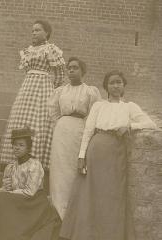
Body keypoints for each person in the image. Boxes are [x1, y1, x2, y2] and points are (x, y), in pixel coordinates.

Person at [60, 70, 157, 240]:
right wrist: (81, 156)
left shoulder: (129, 107)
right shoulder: (99, 105)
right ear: (106, 86)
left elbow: (151, 123)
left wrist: (129, 126)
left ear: (124, 85)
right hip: (96, 151)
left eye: (119, 82)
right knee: (90, 193)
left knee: (113, 195)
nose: (115, 85)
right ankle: (86, 234)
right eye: (111, 82)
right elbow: (88, 130)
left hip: (116, 154)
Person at [0, 20, 65, 171]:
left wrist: (54, 90)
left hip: (43, 88)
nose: (34, 33)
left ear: (46, 33)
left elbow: (60, 73)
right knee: (22, 118)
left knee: (40, 120)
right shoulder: (28, 50)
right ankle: (18, 156)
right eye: (32, 30)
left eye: (37, 30)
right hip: (28, 88)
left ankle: (37, 158)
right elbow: (26, 70)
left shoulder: (51, 49)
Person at [0, 127, 61, 240]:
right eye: (15, 145)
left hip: (34, 202)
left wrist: (7, 194)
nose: (17, 148)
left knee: (3, 200)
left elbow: (30, 191)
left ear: (28, 148)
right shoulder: (11, 167)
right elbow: (7, 187)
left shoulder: (34, 165)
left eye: (21, 145)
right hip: (17, 200)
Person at [48, 57, 101, 219]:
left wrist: (86, 131)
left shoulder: (90, 91)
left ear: (82, 71)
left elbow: (94, 114)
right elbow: (54, 111)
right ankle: (58, 212)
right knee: (60, 170)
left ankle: (73, 214)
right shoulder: (60, 91)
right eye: (69, 68)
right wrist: (61, 123)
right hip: (62, 131)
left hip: (80, 130)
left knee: (74, 169)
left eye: (75, 68)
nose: (71, 70)